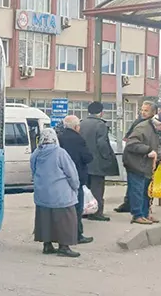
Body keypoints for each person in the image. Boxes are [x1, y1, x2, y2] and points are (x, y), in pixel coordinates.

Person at [31, 128, 82, 258]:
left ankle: (47, 245)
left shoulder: (36, 153)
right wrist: (75, 187)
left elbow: (33, 170)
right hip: (61, 194)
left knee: (45, 220)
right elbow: (71, 173)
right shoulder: (60, 153)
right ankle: (64, 247)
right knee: (66, 220)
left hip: (42, 194)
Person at [123, 110, 161, 225]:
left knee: (146, 191)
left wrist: (160, 156)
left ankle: (145, 214)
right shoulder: (143, 128)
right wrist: (148, 150)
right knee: (137, 190)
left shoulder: (153, 129)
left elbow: (156, 145)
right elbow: (131, 144)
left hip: (145, 164)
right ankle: (137, 215)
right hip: (136, 164)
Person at [114, 100, 158, 213]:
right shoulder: (141, 124)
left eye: (146, 110)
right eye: (142, 110)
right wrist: (147, 150)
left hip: (145, 161)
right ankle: (137, 211)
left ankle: (139, 210)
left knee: (141, 188)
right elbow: (130, 140)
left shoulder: (152, 124)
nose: (143, 112)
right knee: (138, 188)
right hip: (138, 161)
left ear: (153, 112)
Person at [79, 102, 118, 221]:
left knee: (86, 187)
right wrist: (107, 156)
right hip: (97, 163)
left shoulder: (81, 123)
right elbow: (102, 144)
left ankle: (85, 210)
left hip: (84, 162)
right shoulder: (100, 125)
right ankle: (96, 212)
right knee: (97, 188)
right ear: (101, 112)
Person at [58, 115, 94, 244]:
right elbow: (87, 157)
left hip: (61, 178)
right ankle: (77, 234)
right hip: (76, 176)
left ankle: (63, 234)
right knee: (77, 208)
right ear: (76, 127)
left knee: (65, 209)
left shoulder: (59, 137)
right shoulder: (78, 139)